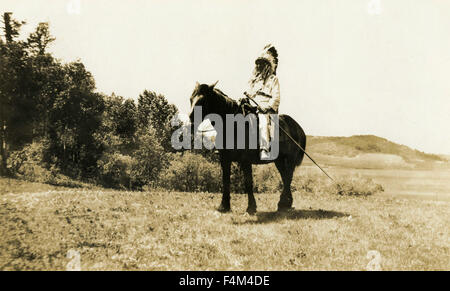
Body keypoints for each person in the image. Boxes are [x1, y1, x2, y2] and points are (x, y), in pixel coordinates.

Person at [243, 44, 280, 160]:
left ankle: (264, 149)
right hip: (252, 106)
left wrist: (267, 107)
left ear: (267, 66)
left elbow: (276, 97)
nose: (259, 65)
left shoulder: (273, 80)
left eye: (262, 63)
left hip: (265, 109)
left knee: (263, 121)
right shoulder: (254, 80)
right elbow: (249, 92)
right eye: (258, 63)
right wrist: (245, 98)